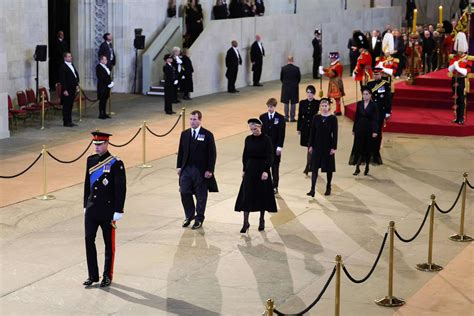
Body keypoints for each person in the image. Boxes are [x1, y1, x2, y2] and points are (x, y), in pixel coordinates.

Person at [83, 131, 126, 288]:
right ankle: (92, 274)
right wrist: (84, 205)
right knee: (89, 240)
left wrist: (118, 210)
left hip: (108, 210)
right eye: (95, 144)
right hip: (92, 209)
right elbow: (87, 184)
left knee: (109, 244)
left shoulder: (116, 163)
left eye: (100, 145)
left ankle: (107, 275)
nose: (97, 147)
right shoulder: (91, 160)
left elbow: (120, 188)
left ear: (107, 144)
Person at [177, 110, 218, 229]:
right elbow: (181, 151)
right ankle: (189, 215)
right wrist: (179, 166)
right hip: (186, 169)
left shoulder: (207, 134)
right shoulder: (184, 134)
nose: (192, 122)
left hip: (200, 170)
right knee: (184, 191)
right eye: (190, 119)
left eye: (194, 119)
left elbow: (212, 154)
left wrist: (210, 170)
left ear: (200, 120)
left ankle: (199, 218)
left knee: (200, 195)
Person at [235, 118, 277, 233]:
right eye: (252, 129)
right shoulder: (248, 139)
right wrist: (244, 169)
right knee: (246, 195)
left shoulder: (266, 139)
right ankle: (245, 222)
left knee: (261, 195)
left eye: (255, 128)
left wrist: (266, 170)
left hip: (262, 170)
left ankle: (261, 219)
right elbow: (245, 155)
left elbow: (270, 156)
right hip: (250, 169)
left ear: (260, 127)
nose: (254, 131)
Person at [307, 98, 338, 197]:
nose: (324, 108)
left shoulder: (333, 118)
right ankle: (312, 189)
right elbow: (312, 132)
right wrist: (310, 145)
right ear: (320, 107)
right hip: (317, 145)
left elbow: (335, 134)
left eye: (326, 106)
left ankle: (328, 186)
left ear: (329, 106)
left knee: (329, 168)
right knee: (314, 168)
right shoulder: (316, 117)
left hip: (328, 146)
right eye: (322, 106)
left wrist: (334, 148)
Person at [348, 86, 379, 176]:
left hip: (369, 128)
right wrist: (354, 129)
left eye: (367, 94)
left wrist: (375, 131)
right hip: (359, 127)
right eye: (363, 94)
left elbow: (375, 119)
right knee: (358, 147)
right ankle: (357, 167)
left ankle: (367, 167)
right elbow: (356, 117)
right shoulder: (359, 104)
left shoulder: (374, 105)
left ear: (370, 95)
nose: (365, 96)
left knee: (367, 148)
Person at [259, 98, 286, 194]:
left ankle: (275, 186)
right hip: (265, 147)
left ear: (275, 107)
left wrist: (280, 146)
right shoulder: (262, 117)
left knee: (275, 168)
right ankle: (267, 185)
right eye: (268, 107)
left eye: (271, 107)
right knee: (265, 167)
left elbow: (281, 134)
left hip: (275, 147)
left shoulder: (280, 118)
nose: (270, 109)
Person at [366, 68, 390, 165]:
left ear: (381, 74)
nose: (376, 76)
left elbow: (388, 99)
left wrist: (388, 111)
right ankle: (370, 150)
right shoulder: (369, 84)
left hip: (380, 112)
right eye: (375, 74)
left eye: (378, 74)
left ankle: (376, 150)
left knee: (378, 132)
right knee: (370, 131)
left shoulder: (385, 84)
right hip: (370, 112)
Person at [448, 32, 472, 125]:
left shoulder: (467, 58)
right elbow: (449, 69)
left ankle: (461, 118)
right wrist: (454, 66)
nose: (458, 51)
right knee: (456, 99)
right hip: (454, 79)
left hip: (462, 80)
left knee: (461, 99)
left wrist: (457, 68)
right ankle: (457, 117)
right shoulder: (454, 57)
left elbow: (466, 71)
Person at [297, 85, 320, 175]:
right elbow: (299, 116)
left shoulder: (317, 103)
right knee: (308, 147)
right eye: (308, 92)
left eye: (311, 92)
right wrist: (299, 128)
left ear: (313, 93)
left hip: (314, 127)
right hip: (305, 127)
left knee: (312, 148)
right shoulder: (302, 103)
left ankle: (309, 165)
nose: (309, 94)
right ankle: (309, 165)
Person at [58, 52, 79, 127]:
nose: (71, 57)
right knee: (66, 106)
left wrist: (76, 85)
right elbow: (62, 79)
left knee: (70, 105)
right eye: (69, 56)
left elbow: (74, 75)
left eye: (71, 56)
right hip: (67, 89)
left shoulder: (71, 65)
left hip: (72, 88)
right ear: (65, 58)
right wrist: (64, 90)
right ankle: (66, 121)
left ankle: (70, 120)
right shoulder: (63, 67)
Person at [280, 55, 301, 122]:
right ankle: (292, 118)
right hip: (294, 88)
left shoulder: (283, 68)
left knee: (286, 103)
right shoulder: (296, 68)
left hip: (285, 87)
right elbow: (299, 78)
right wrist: (295, 84)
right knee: (293, 103)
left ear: (287, 60)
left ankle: (286, 117)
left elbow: (281, 78)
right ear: (292, 60)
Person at [96, 55, 114, 119]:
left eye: (106, 59)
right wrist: (108, 83)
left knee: (105, 100)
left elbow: (108, 76)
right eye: (105, 59)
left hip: (106, 87)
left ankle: (104, 113)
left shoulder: (105, 67)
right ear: (101, 60)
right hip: (102, 87)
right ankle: (101, 114)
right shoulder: (99, 67)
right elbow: (102, 77)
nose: (106, 61)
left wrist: (110, 82)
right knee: (102, 101)